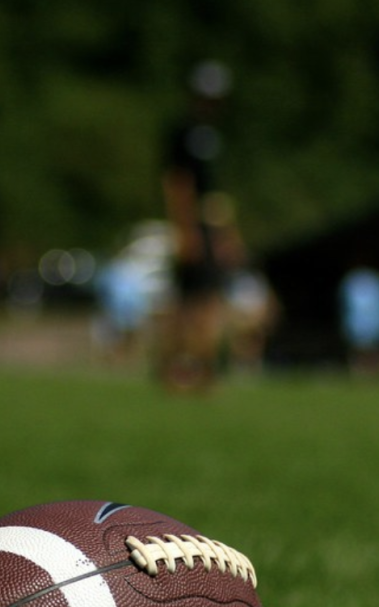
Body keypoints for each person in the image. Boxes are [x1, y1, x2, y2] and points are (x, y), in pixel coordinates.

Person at [158, 60, 243, 392]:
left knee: (209, 301)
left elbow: (215, 193)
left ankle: (204, 372)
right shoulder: (183, 132)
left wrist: (228, 234)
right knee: (189, 304)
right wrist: (186, 230)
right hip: (192, 226)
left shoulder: (215, 137)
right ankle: (176, 369)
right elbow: (178, 183)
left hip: (211, 224)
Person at [338, 261, 379, 376]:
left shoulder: (353, 279)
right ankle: (367, 372)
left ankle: (363, 373)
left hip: (364, 321)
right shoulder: (374, 278)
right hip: (366, 320)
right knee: (366, 349)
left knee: (366, 349)